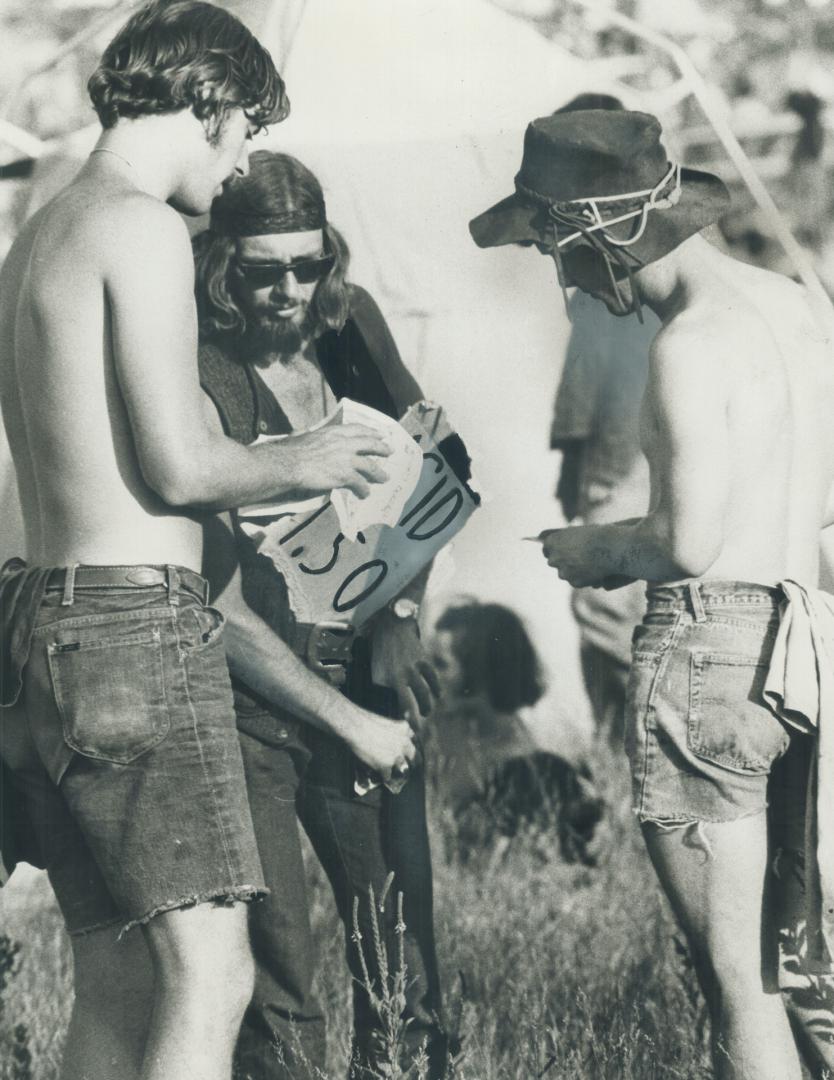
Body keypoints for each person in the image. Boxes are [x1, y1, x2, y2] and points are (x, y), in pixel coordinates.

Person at [0, 5, 411, 1080]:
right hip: (136, 625)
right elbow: (182, 468)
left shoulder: (43, 227)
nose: (237, 167)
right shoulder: (135, 228)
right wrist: (308, 458)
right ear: (209, 102)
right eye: (242, 136)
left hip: (46, 615)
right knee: (214, 973)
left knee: (121, 980)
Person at [469, 108, 834, 1079]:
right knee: (803, 964)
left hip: (709, 654)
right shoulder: (799, 307)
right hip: (804, 640)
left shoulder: (688, 345)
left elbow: (687, 540)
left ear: (597, 234)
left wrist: (596, 547)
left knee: (740, 986)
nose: (561, 276)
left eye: (553, 245)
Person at [193, 150, 448, 1079]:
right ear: (221, 265)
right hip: (251, 695)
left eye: (309, 266)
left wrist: (402, 610)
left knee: (394, 936)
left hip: (363, 668)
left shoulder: (347, 322)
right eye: (264, 272)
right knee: (278, 964)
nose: (290, 291)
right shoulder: (198, 357)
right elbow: (212, 585)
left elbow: (436, 460)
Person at [428, 601, 604, 865]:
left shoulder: (528, 769)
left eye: (440, 665)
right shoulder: (436, 731)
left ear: (482, 671)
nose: (426, 675)